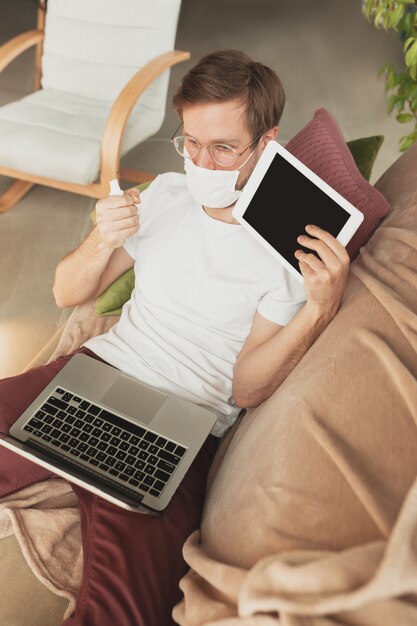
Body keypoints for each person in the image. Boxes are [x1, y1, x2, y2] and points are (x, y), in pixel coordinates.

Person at [0, 50, 350, 625]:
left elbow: (245, 387)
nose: (202, 163)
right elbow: (67, 292)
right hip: (94, 372)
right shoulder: (164, 192)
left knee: (129, 609)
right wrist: (99, 239)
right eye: (190, 142)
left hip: (184, 424)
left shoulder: (290, 250)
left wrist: (319, 310)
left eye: (222, 148)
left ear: (266, 143)